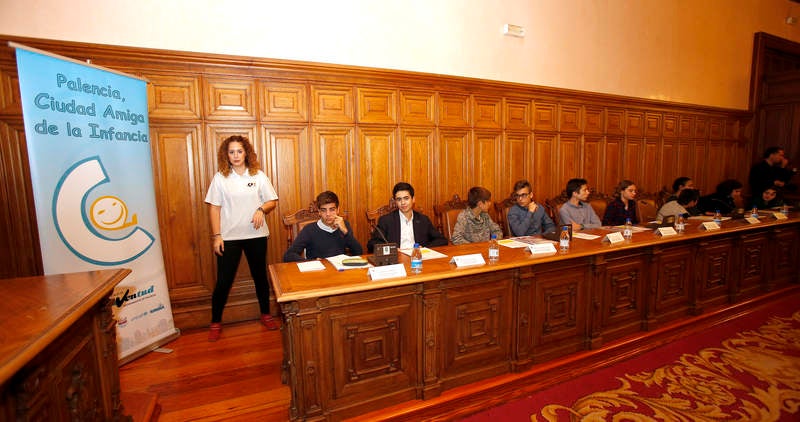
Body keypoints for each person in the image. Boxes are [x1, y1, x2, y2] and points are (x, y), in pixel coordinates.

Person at [205, 135, 279, 341]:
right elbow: (214, 208)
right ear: (226, 155)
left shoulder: (258, 176)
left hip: (256, 235)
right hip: (229, 238)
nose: (236, 155)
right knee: (223, 281)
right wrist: (216, 236)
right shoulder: (221, 177)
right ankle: (215, 322)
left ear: (246, 152)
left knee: (260, 277)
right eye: (231, 152)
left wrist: (261, 209)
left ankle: (265, 314)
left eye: (239, 151)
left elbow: (272, 200)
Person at [283, 191, 363, 262]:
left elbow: (359, 252)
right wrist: (311, 262)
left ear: (338, 210)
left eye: (332, 209)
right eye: (324, 210)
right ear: (319, 212)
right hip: (319, 273)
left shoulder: (344, 225)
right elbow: (288, 255)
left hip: (340, 271)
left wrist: (345, 232)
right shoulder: (309, 230)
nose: (328, 214)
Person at [366, 182, 448, 251]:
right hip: (397, 262)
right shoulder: (386, 220)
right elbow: (372, 244)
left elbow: (441, 240)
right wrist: (392, 249)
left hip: (418, 259)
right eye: (399, 199)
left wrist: (423, 249)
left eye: (406, 198)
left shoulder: (423, 219)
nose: (403, 203)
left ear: (413, 199)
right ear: (395, 202)